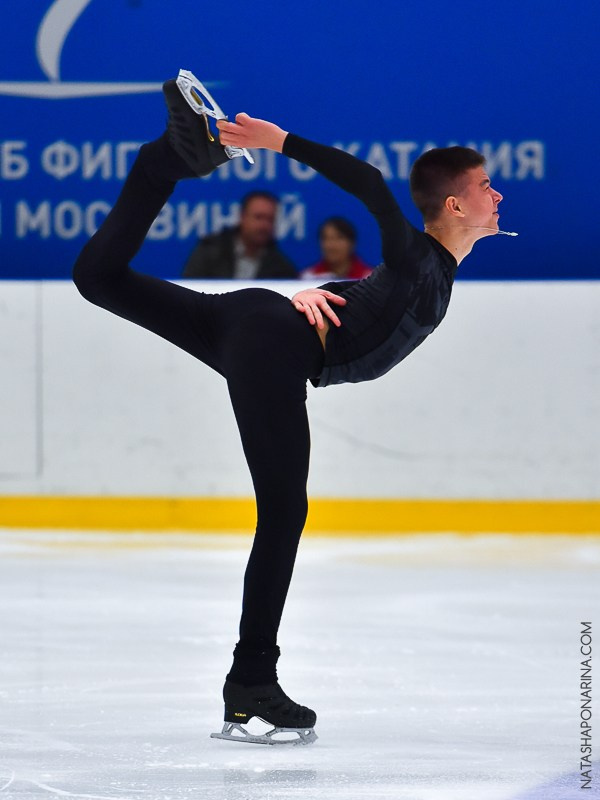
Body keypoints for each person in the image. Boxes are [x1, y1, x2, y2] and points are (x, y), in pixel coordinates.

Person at [73, 73, 504, 746]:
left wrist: (307, 297)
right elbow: (369, 182)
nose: (497, 194)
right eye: (485, 185)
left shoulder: (428, 274)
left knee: (98, 278)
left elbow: (362, 307)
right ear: (454, 204)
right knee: (285, 512)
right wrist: (280, 142)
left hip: (260, 328)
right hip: (270, 344)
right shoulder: (417, 257)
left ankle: (164, 162)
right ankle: (252, 682)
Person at [183, 189, 297, 279]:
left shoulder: (282, 268)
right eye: (258, 217)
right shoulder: (210, 252)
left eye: (270, 219)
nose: (264, 225)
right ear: (242, 217)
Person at [301, 216, 373, 281]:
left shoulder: (369, 278)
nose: (331, 245)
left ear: (352, 243)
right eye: (325, 238)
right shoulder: (308, 277)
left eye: (339, 238)